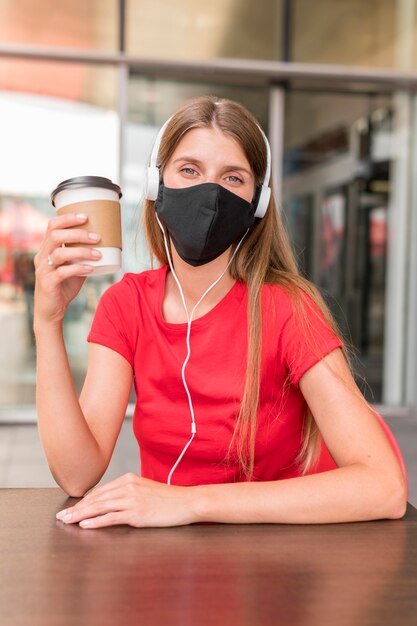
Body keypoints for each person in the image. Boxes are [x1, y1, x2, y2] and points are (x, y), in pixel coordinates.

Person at [34, 96, 407, 529]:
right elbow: (77, 474)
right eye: (189, 170)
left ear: (257, 203)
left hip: (277, 559)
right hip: (172, 560)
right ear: (158, 187)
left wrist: (191, 503)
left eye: (233, 177)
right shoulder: (127, 304)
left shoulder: (287, 308)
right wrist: (48, 321)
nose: (209, 192)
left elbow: (384, 487)